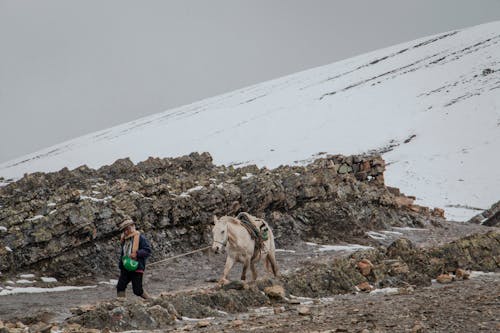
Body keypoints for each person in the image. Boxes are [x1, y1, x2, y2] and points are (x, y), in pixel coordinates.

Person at [116, 218, 152, 299]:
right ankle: (121, 303)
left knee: (137, 290)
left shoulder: (140, 238)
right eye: (124, 230)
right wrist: (121, 265)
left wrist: (137, 253)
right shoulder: (124, 240)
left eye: (127, 229)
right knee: (120, 286)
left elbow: (147, 250)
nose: (126, 231)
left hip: (137, 267)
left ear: (133, 227)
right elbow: (123, 254)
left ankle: (150, 300)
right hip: (126, 267)